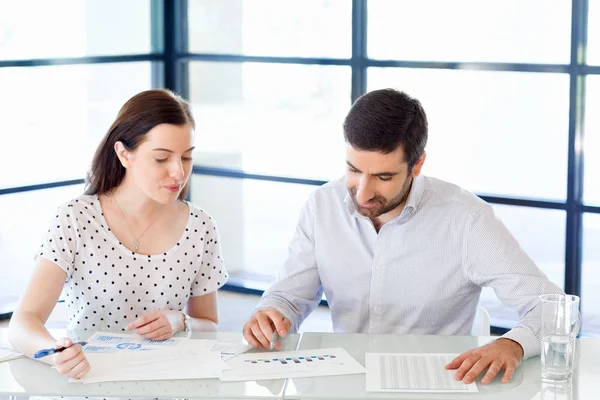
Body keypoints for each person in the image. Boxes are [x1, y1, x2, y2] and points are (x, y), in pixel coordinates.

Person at [243, 88, 564, 385]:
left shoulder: (466, 219)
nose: (363, 192)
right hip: (343, 384)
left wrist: (513, 343)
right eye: (354, 170)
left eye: (383, 176)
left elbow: (552, 308)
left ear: (417, 164)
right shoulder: (322, 206)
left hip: (435, 386)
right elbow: (287, 298)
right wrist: (272, 315)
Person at [9, 89, 228, 381]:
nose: (178, 172)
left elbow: (210, 326)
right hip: (90, 385)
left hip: (168, 383)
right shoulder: (75, 218)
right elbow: (23, 323)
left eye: (186, 157)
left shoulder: (201, 226)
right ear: (124, 154)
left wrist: (180, 321)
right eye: (162, 159)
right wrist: (55, 353)